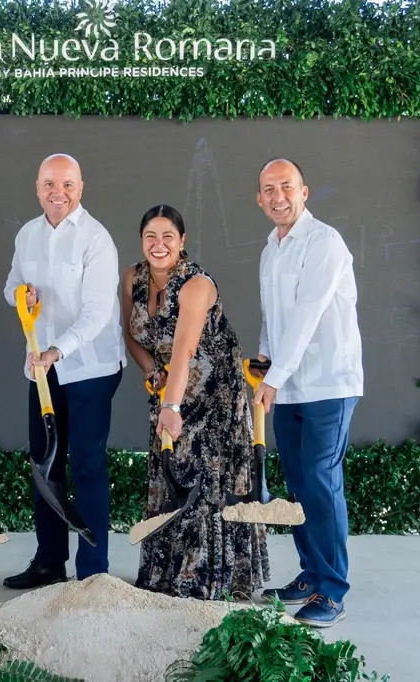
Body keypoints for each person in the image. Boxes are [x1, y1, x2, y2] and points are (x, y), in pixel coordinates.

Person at [121, 204, 271, 600]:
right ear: (141, 240)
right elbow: (131, 334)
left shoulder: (196, 284)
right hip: (170, 386)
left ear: (182, 241)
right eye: (151, 236)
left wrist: (171, 408)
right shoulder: (133, 277)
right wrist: (152, 371)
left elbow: (184, 350)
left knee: (205, 479)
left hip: (212, 391)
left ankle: (206, 580)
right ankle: (166, 575)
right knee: (172, 472)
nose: (159, 244)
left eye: (168, 237)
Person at [2, 153, 126, 588]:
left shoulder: (96, 239)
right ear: (38, 189)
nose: (58, 192)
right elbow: (10, 286)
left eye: (67, 184)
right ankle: (49, 562)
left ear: (81, 188)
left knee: (87, 463)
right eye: (50, 184)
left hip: (90, 367)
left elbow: (97, 313)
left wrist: (58, 350)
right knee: (45, 464)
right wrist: (21, 294)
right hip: (41, 370)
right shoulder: (27, 235)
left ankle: (93, 571)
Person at [250, 158, 363, 628]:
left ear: (304, 192)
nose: (278, 196)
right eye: (269, 189)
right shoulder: (270, 249)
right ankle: (311, 574)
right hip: (288, 386)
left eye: (286, 187)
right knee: (298, 486)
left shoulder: (324, 243)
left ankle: (332, 591)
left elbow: (307, 315)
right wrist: (263, 359)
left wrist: (273, 378)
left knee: (320, 480)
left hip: (327, 383)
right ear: (259, 198)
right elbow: (274, 316)